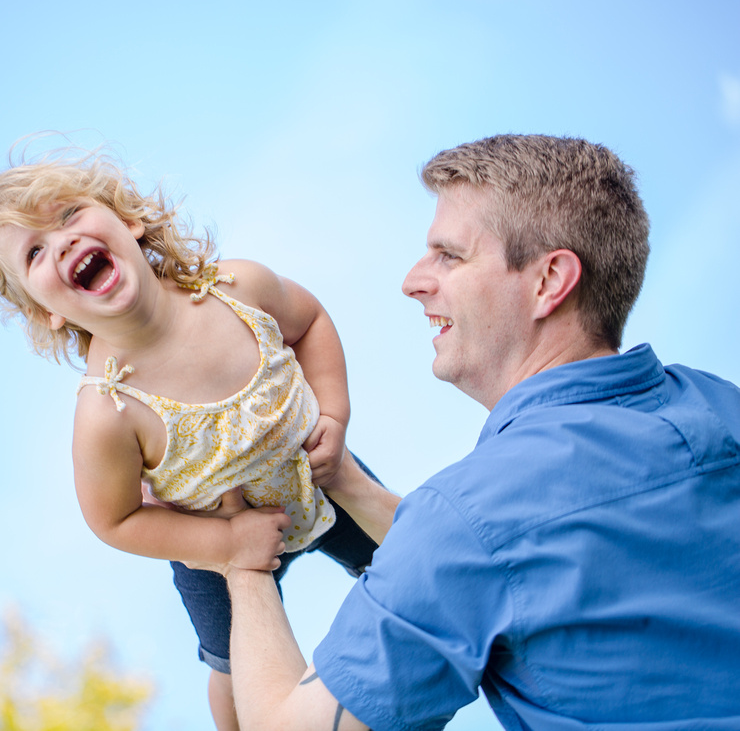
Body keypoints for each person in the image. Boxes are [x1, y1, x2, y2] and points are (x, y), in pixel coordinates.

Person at [210, 134, 740, 730]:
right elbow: (512, 551)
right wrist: (351, 484)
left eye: (449, 256)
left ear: (548, 281)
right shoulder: (720, 404)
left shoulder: (466, 516)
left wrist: (240, 561)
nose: (413, 280)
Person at [0, 145, 382, 730]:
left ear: (129, 222)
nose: (60, 241)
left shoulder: (236, 289)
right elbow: (113, 520)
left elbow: (310, 322)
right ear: (45, 313)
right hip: (213, 539)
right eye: (35, 251)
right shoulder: (109, 411)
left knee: (408, 554)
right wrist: (228, 545)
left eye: (68, 217)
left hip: (318, 474)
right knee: (234, 669)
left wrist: (334, 418)